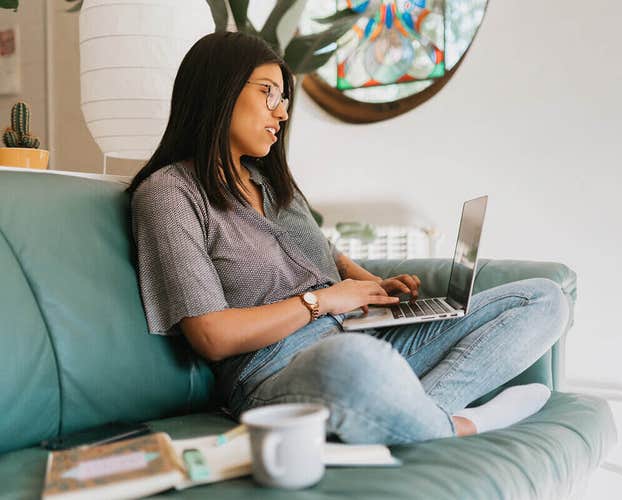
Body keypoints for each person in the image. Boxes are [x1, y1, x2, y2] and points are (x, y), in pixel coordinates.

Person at [127, 32, 569, 445]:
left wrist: (369, 285)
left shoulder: (270, 184)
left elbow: (324, 254)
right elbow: (212, 335)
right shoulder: (169, 194)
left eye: (284, 98)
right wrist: (321, 302)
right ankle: (456, 423)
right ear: (217, 91)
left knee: (545, 300)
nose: (281, 112)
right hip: (278, 369)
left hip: (362, 332)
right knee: (354, 365)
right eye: (268, 93)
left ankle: (408, 410)